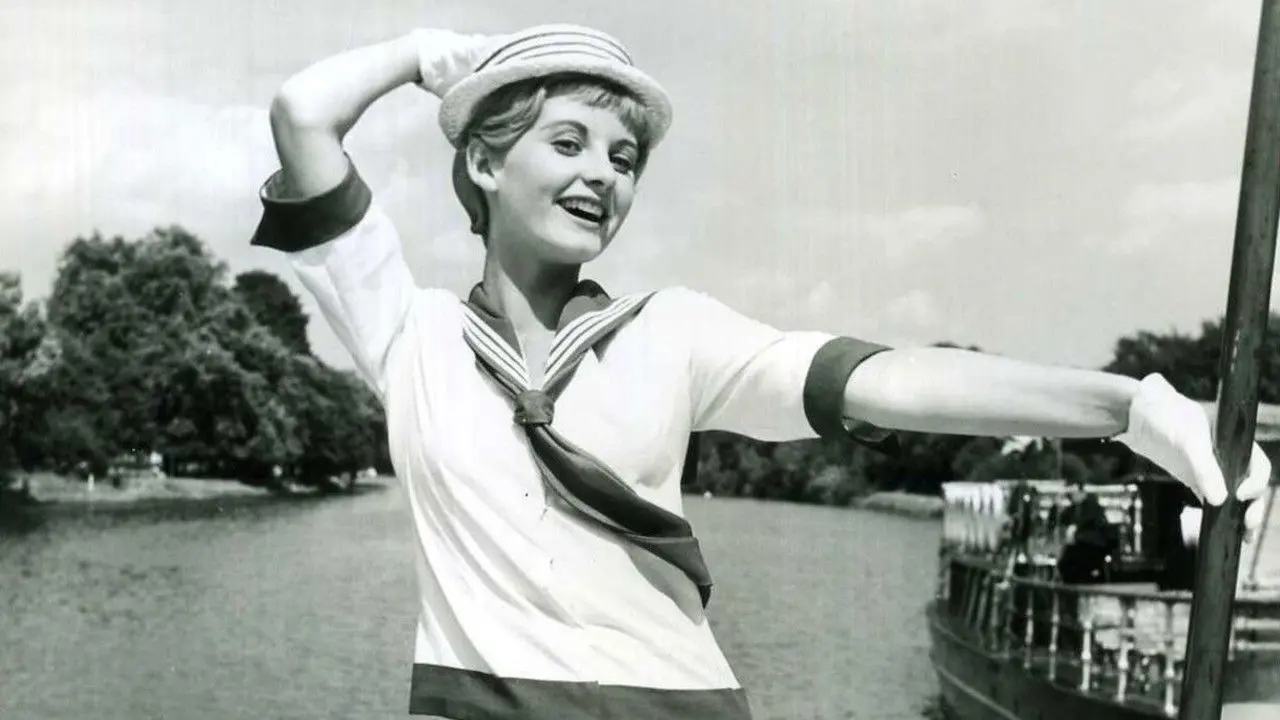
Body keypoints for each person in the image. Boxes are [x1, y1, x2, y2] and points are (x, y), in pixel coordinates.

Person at [251, 23, 1274, 720]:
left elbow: (881, 381)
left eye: (623, 157)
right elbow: (303, 114)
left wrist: (1128, 407)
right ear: (482, 162)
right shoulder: (411, 336)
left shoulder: (672, 333)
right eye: (567, 141)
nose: (602, 175)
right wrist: (432, 54)